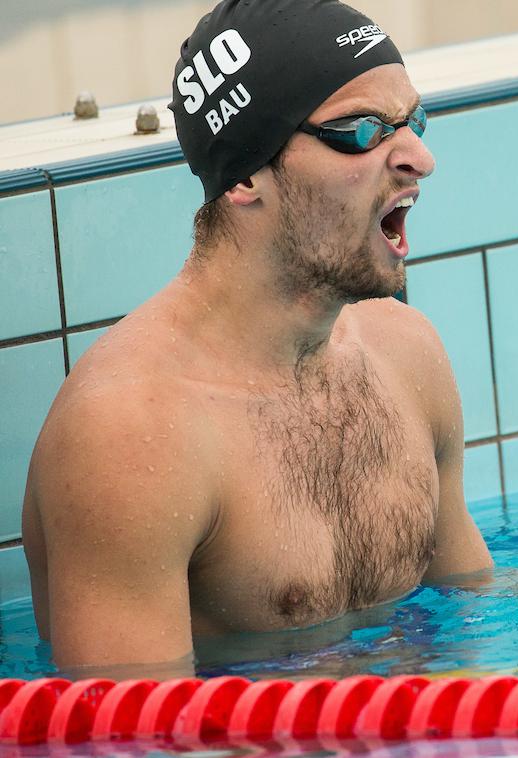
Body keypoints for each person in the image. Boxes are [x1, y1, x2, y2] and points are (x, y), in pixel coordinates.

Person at [21, 0, 493, 673]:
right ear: (246, 175)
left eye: (412, 121)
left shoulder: (406, 354)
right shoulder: (131, 432)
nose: (420, 157)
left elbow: (470, 615)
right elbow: (134, 739)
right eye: (363, 130)